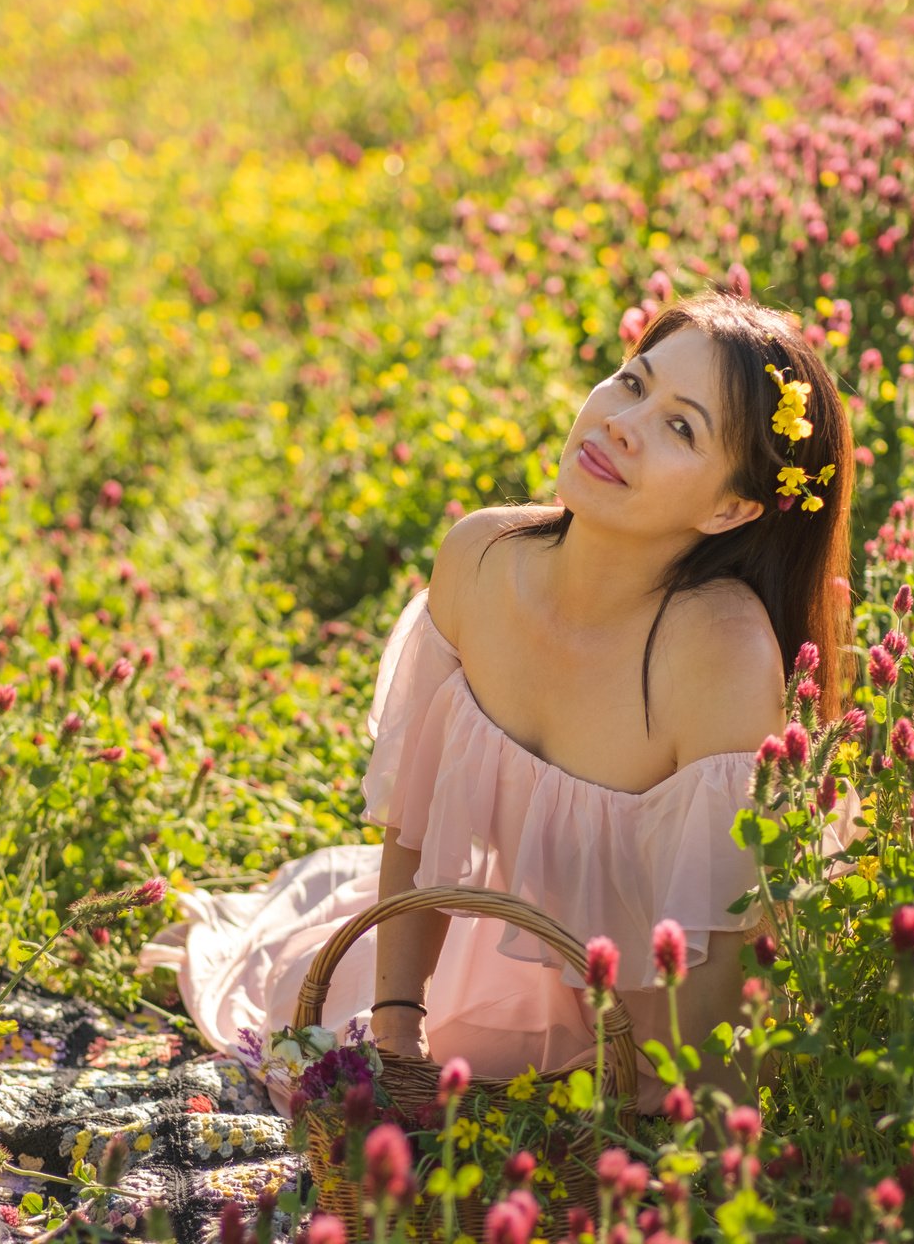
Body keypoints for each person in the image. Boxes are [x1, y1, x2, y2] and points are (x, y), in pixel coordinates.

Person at [139, 285, 863, 1118]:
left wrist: (666, 1122)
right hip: (482, 969)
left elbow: (725, 957)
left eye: (680, 427)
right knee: (334, 1059)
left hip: (653, 1038)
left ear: (730, 507)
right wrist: (398, 1023)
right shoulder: (482, 559)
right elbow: (415, 819)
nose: (621, 422)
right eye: (634, 382)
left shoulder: (720, 655)